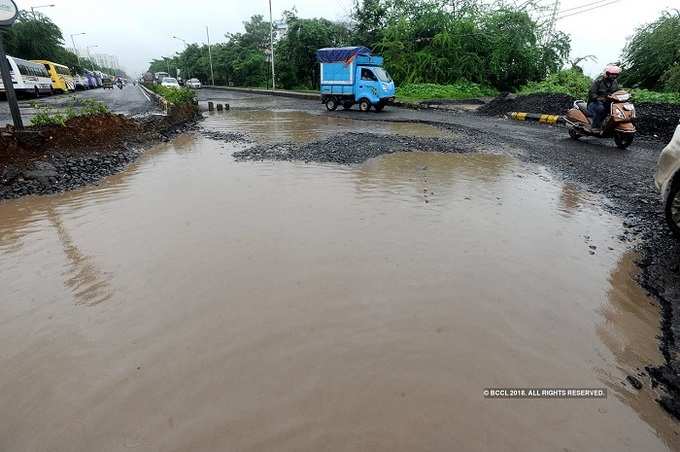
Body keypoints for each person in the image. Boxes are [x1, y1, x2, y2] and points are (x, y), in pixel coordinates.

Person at [587, 64, 621, 131]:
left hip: (607, 102)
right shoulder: (598, 82)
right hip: (594, 103)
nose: (614, 76)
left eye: (616, 74)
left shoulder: (615, 82)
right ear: (607, 74)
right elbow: (592, 94)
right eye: (612, 74)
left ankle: (611, 125)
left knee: (616, 108)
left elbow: (617, 91)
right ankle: (595, 126)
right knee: (601, 109)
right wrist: (599, 98)